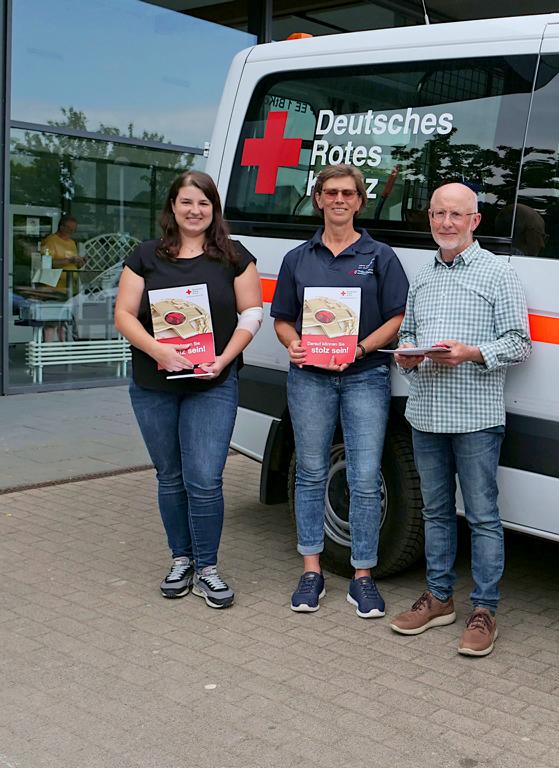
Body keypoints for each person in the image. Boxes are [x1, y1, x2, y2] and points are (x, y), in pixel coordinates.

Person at [388, 182, 530, 657]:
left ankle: (485, 609)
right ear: (429, 218)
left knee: (484, 517)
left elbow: (519, 343)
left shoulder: (498, 274)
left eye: (456, 215)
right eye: (438, 214)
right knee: (435, 511)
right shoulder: (423, 274)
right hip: (425, 413)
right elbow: (408, 334)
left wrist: (472, 353)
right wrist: (406, 357)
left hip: (475, 417)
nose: (446, 223)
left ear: (475, 221)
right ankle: (440, 598)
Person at [114, 171, 262, 609]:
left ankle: (208, 569)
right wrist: (160, 349)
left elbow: (252, 313)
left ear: (213, 209)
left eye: (204, 203)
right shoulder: (144, 256)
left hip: (212, 383)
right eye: (186, 202)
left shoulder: (235, 256)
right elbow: (123, 315)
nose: (195, 211)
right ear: (172, 208)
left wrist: (223, 359)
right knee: (170, 476)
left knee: (205, 478)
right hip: (153, 385)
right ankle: (181, 559)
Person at [271, 164, 409, 618]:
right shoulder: (298, 258)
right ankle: (311, 570)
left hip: (365, 375)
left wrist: (364, 347)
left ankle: (362, 576)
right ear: (318, 199)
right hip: (309, 376)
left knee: (365, 477)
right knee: (311, 471)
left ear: (359, 200)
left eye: (347, 193)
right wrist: (292, 344)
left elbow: (397, 316)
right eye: (330, 192)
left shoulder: (381, 256)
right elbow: (283, 320)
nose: (339, 200)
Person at [39, 215, 83, 341]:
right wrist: (70, 259)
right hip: (54, 287)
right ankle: (47, 351)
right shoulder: (51, 241)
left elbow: (73, 263)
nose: (71, 232)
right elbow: (47, 263)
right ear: (61, 227)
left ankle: (62, 349)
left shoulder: (72, 243)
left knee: (64, 322)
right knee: (52, 321)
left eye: (74, 230)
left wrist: (80, 262)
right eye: (69, 229)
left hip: (70, 287)